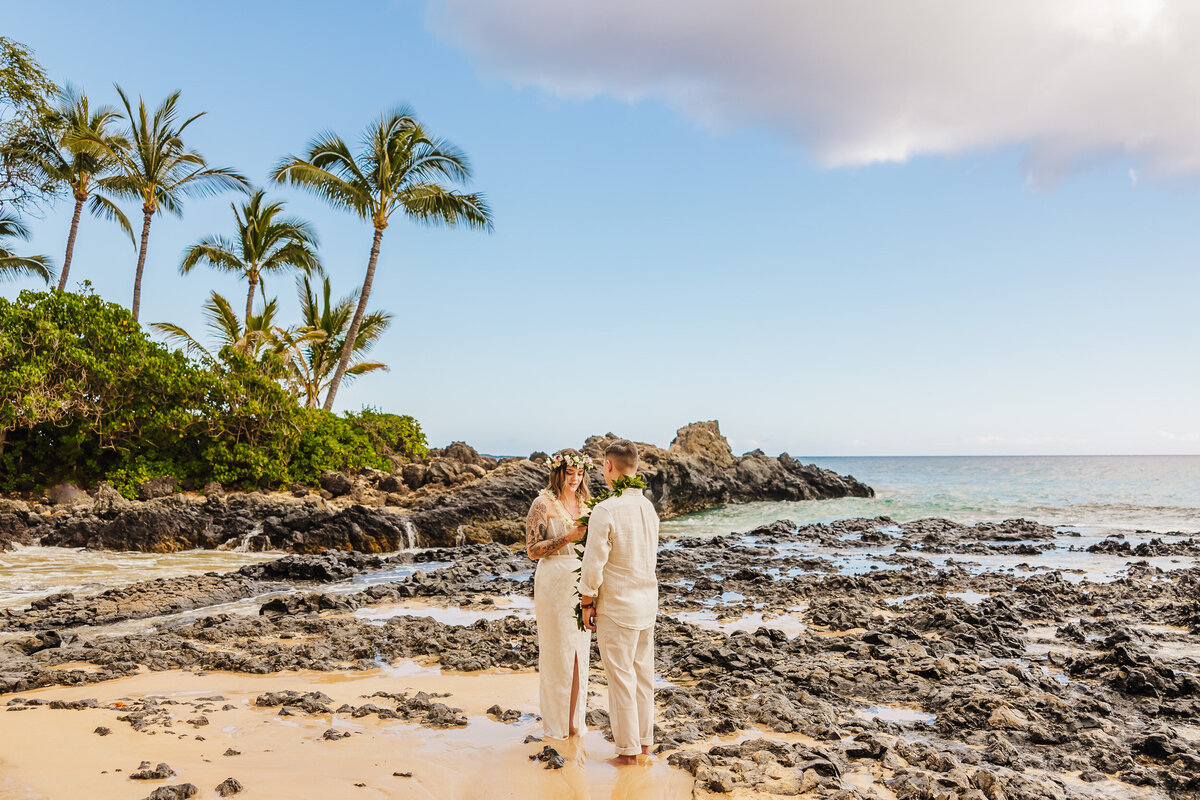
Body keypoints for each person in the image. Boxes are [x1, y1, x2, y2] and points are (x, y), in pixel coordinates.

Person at [579, 439, 659, 766]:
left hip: (617, 606)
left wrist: (586, 602)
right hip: (646, 603)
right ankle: (643, 745)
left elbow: (593, 563)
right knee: (643, 677)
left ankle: (627, 752)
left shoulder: (606, 509)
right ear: (635, 467)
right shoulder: (648, 508)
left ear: (609, 466)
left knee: (621, 680)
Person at [525, 448, 593, 741]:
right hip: (553, 581)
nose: (576, 478)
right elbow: (532, 551)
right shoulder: (542, 504)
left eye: (580, 473)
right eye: (570, 473)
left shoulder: (587, 502)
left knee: (579, 655)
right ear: (558, 472)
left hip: (583, 584)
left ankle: (574, 722)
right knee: (557, 654)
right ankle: (556, 726)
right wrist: (567, 537)